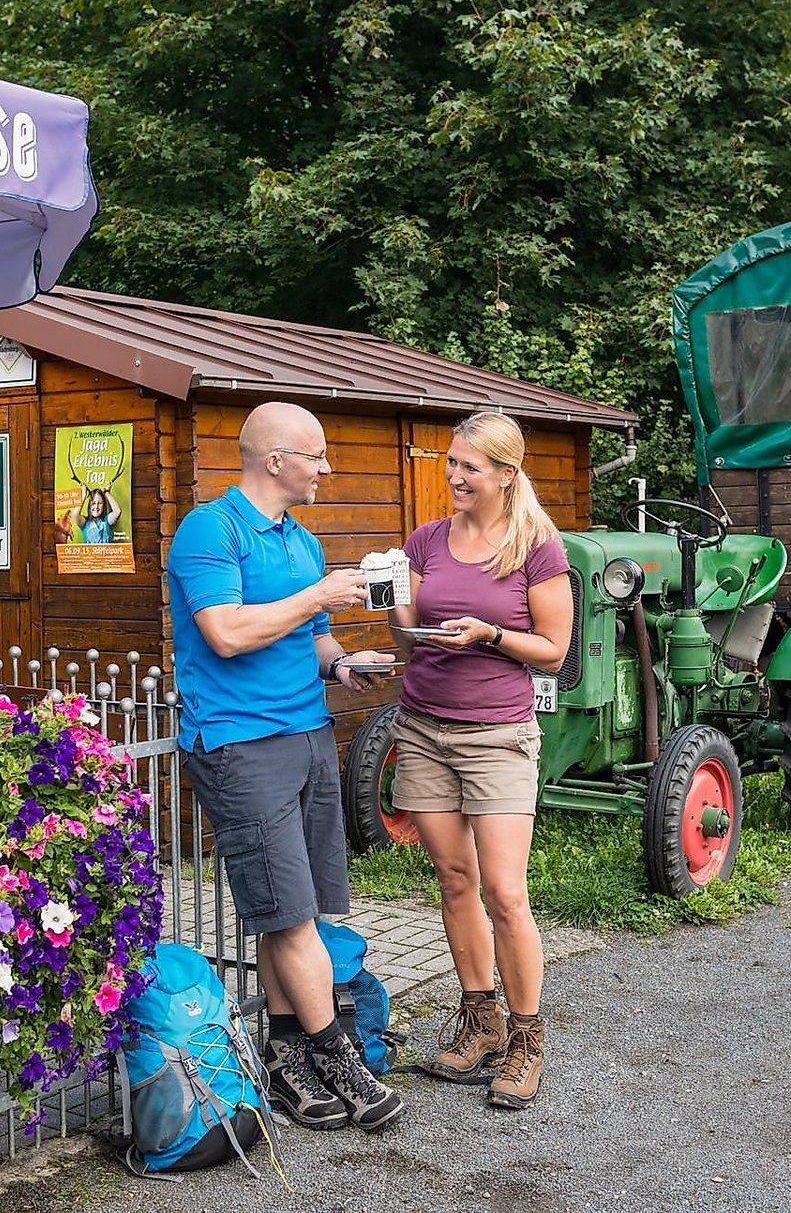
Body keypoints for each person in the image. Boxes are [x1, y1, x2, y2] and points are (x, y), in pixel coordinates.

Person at [166, 401, 407, 1133]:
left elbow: (314, 639)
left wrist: (346, 664)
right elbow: (227, 632)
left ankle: (284, 1058)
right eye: (317, 456)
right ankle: (338, 1056)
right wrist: (319, 595)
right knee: (295, 914)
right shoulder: (211, 529)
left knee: (287, 909)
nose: (327, 469)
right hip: (240, 743)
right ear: (276, 461)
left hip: (307, 732)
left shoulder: (301, 542)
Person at [387, 410, 572, 1110]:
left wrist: (491, 633)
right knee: (454, 878)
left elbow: (553, 649)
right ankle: (481, 1021)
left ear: (505, 474)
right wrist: (393, 608)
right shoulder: (426, 540)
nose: (455, 475)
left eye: (470, 466)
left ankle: (527, 1041)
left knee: (505, 890)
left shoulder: (535, 547)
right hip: (424, 726)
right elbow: (409, 639)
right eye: (452, 462)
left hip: (496, 734)